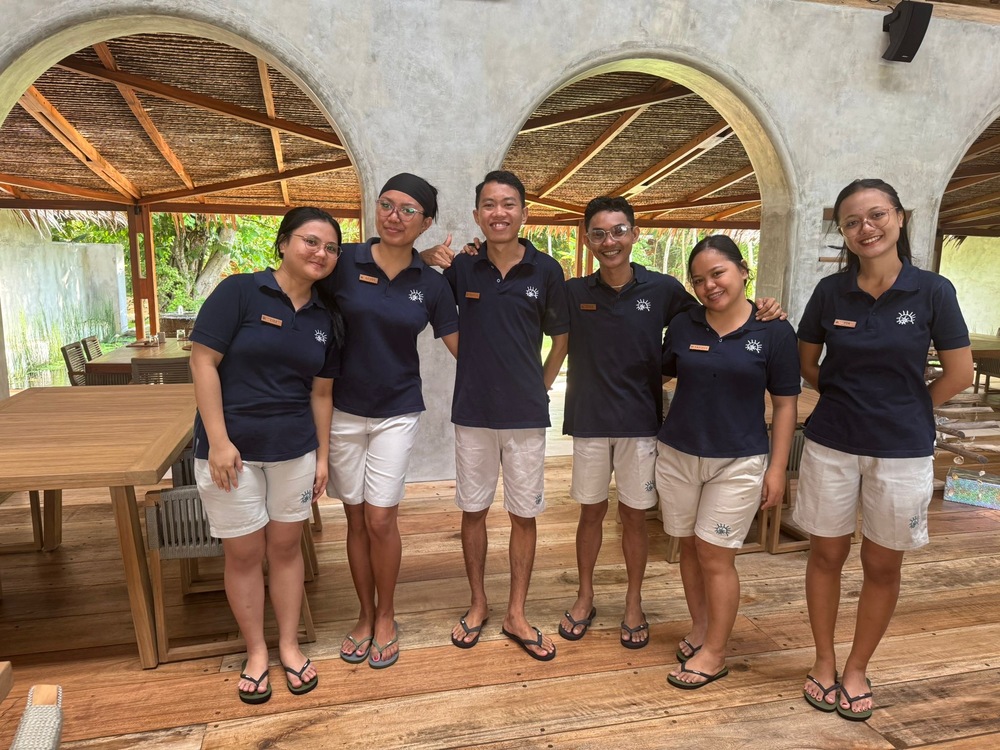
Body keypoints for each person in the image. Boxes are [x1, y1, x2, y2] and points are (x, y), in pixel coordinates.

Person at [556, 197, 785, 651]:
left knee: (634, 516)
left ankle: (634, 602)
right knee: (590, 512)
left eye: (618, 231)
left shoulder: (663, 290)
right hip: (588, 420)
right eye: (599, 233)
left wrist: (764, 307)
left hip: (643, 424)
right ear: (587, 239)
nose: (609, 241)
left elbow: (716, 307)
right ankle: (585, 597)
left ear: (635, 234)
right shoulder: (572, 291)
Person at [795, 179, 973, 720]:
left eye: (876, 215)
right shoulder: (830, 292)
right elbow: (807, 363)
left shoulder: (933, 291)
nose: (865, 228)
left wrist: (908, 408)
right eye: (852, 222)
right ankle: (824, 661)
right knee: (826, 555)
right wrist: (846, 398)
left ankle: (856, 668)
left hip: (901, 450)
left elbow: (960, 373)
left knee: (881, 563)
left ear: (899, 217)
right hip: (831, 443)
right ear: (843, 232)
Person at [189, 206, 343, 704]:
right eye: (311, 241)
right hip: (230, 453)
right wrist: (218, 441)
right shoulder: (240, 291)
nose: (321, 253)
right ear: (283, 243)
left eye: (331, 248)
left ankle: (289, 646)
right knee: (243, 554)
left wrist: (322, 458)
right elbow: (203, 361)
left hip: (293, 451)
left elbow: (322, 392)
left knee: (286, 549)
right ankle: (256, 651)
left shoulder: (326, 318)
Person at [318, 173, 459, 670]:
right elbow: (296, 289)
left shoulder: (432, 284)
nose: (394, 217)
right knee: (355, 516)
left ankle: (386, 615)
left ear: (427, 222)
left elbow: (462, 345)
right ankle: (364, 613)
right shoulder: (343, 261)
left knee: (381, 518)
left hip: (397, 410)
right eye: (386, 205)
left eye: (408, 210)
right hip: (341, 409)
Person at [656, 235, 800, 689]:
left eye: (717, 273)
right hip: (678, 454)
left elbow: (785, 405)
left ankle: (715, 653)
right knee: (689, 547)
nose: (709, 286)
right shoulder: (684, 325)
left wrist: (777, 469)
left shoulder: (774, 331)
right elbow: (659, 372)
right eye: (699, 280)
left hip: (738, 460)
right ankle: (701, 629)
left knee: (716, 556)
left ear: (743, 271)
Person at [441, 170, 569, 660]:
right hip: (473, 412)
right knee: (472, 510)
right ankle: (478, 603)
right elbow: (436, 311)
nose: (499, 213)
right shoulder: (463, 267)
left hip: (525, 417)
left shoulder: (546, 270)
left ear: (524, 212)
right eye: (490, 205)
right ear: (477, 215)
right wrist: (472, 362)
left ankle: (517, 612)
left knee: (523, 514)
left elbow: (561, 339)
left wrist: (540, 385)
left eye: (509, 204)